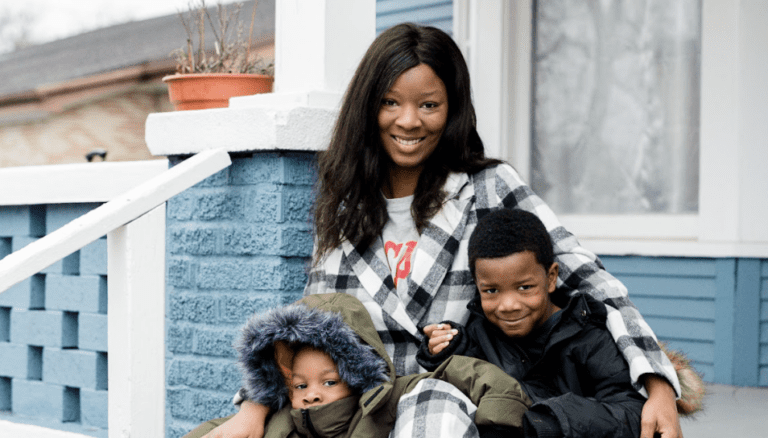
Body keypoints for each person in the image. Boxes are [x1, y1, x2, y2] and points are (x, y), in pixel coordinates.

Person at [188, 22, 683, 438]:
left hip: (453, 399)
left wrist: (657, 382)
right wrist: (254, 406)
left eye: (429, 104)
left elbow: (591, 282)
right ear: (368, 108)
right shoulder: (342, 205)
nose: (409, 121)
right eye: (390, 102)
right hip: (358, 408)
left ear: (452, 111)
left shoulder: (488, 187)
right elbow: (313, 323)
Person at [418, 209, 701, 437]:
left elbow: (630, 412)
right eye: (491, 291)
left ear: (551, 277)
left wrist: (554, 420)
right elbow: (473, 374)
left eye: (525, 287)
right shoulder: (482, 333)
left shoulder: (589, 336)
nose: (508, 305)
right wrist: (448, 347)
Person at [230, 293, 531, 438]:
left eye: (329, 381)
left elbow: (465, 372)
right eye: (300, 385)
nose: (312, 394)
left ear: (355, 376)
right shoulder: (280, 423)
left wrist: (499, 421)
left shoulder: (383, 402)